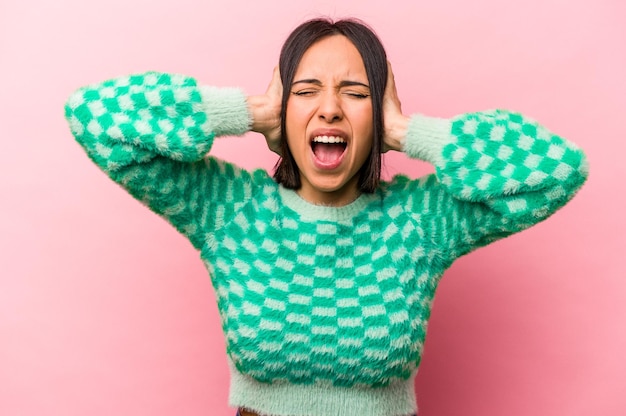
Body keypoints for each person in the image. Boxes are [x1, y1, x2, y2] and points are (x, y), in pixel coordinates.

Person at [65, 17, 588, 416]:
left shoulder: (418, 221)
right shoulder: (230, 211)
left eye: (356, 93)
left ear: (376, 115)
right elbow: (95, 118)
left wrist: (407, 131)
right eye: (306, 91)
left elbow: (559, 171)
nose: (331, 109)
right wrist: (247, 112)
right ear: (284, 110)